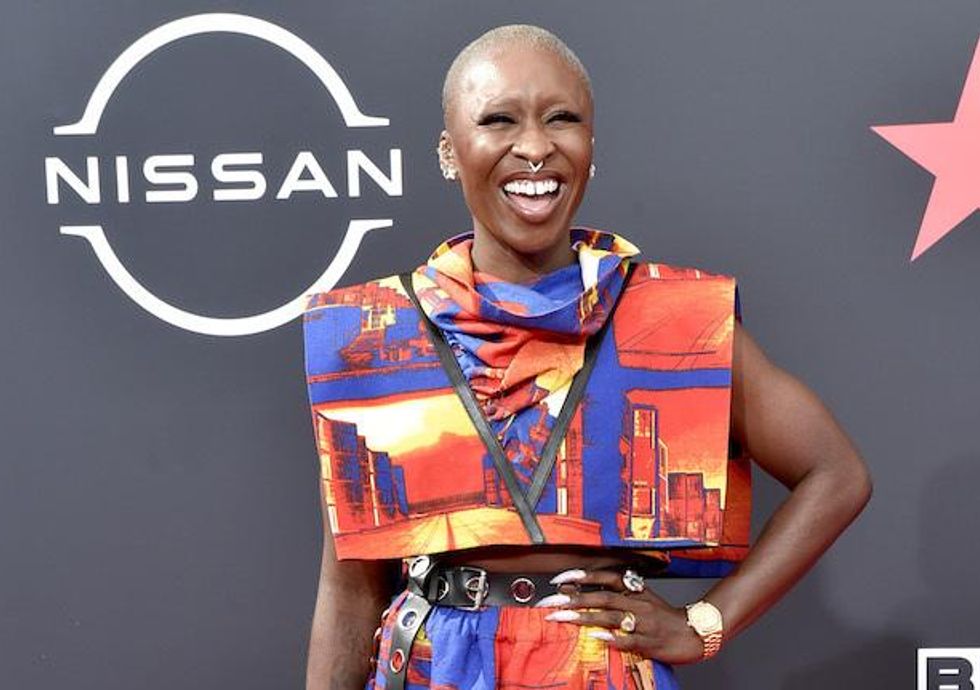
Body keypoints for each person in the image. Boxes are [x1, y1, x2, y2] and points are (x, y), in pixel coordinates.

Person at [303, 24, 871, 690]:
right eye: (499, 120)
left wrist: (705, 624)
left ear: (591, 146)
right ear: (449, 151)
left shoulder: (673, 317)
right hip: (431, 670)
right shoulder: (373, 330)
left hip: (597, 668)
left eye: (562, 119)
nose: (535, 147)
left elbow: (836, 474)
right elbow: (350, 587)